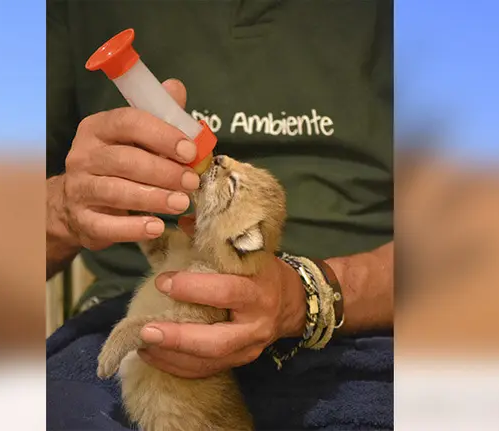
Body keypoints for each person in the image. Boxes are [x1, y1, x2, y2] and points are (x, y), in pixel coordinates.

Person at [46, 1, 393, 429]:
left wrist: (314, 296)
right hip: (113, 326)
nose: (222, 161)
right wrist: (64, 209)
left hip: (358, 335)